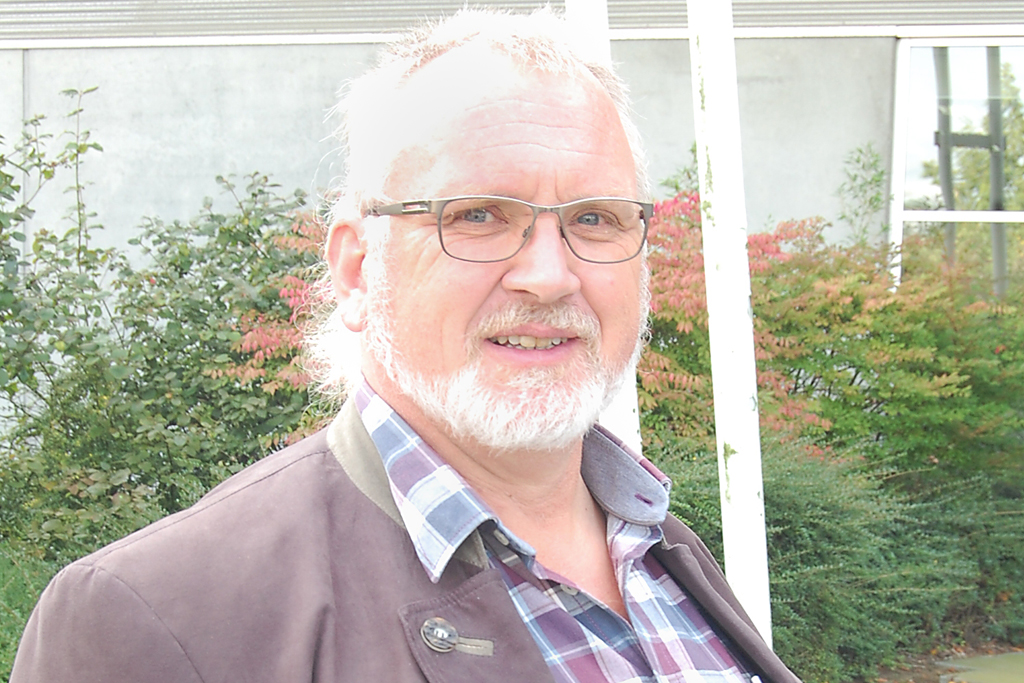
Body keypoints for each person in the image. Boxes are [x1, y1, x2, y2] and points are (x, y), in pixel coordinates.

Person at [12, 8, 801, 683]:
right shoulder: (161, 620)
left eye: (595, 218)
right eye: (478, 216)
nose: (548, 276)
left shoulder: (662, 555)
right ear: (357, 269)